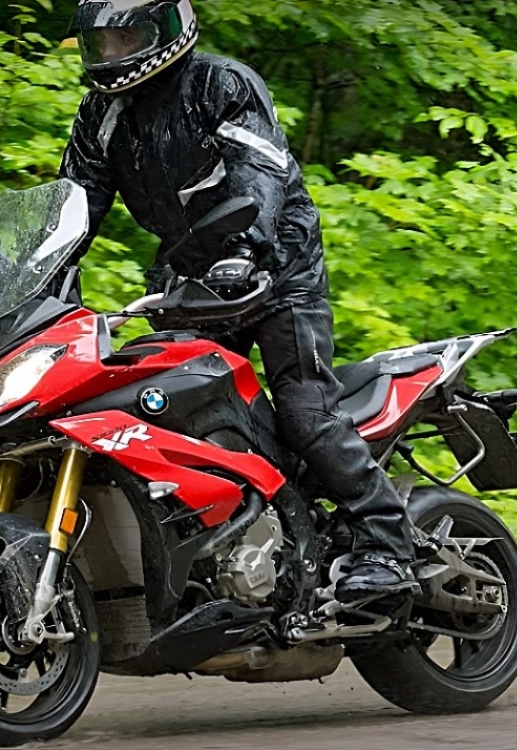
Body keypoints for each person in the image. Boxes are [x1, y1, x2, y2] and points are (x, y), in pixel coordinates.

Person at [60, 0, 417, 600]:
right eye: (103, 44)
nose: (114, 55)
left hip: (276, 267)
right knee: (168, 413)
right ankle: (238, 544)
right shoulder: (101, 113)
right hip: (192, 281)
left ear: (168, 29)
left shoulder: (221, 83)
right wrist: (44, 282)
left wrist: (246, 250)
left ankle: (388, 545)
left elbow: (260, 169)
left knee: (306, 414)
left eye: (127, 39)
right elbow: (75, 203)